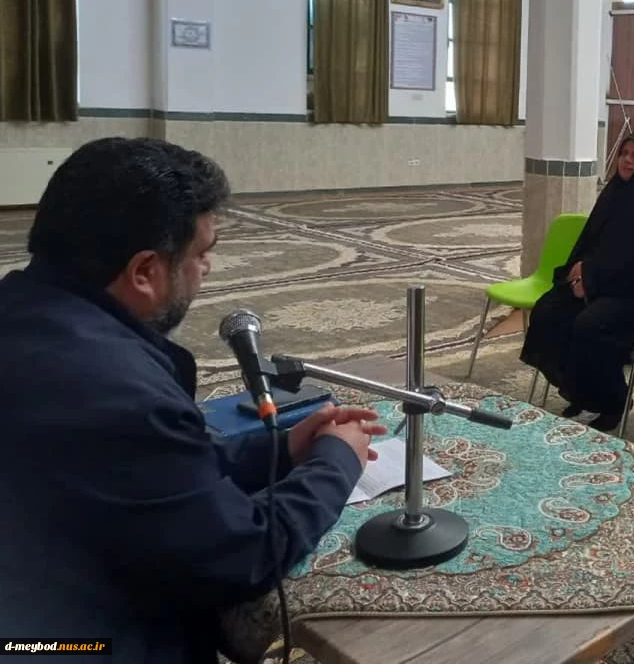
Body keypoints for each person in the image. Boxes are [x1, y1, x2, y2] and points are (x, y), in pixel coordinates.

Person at [0, 138, 384, 664]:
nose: (208, 267)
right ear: (144, 271)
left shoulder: (24, 315)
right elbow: (243, 556)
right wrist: (337, 459)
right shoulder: (120, 392)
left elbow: (141, 473)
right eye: (201, 253)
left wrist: (279, 450)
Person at [520, 131, 634, 431]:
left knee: (590, 324)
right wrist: (580, 271)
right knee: (549, 310)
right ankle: (578, 390)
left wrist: (592, 280)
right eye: (624, 154)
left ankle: (614, 401)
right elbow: (591, 241)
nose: (627, 161)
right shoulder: (614, 192)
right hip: (603, 280)